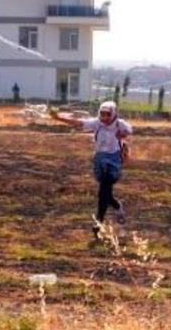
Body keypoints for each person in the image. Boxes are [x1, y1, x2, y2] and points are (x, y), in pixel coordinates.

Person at [50, 101, 133, 239]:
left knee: (104, 189)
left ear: (113, 114)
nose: (105, 117)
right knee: (105, 192)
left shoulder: (120, 123)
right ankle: (118, 207)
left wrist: (123, 135)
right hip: (100, 159)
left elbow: (128, 131)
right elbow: (77, 122)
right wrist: (58, 118)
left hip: (114, 160)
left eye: (108, 114)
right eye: (102, 114)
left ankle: (98, 223)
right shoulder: (96, 123)